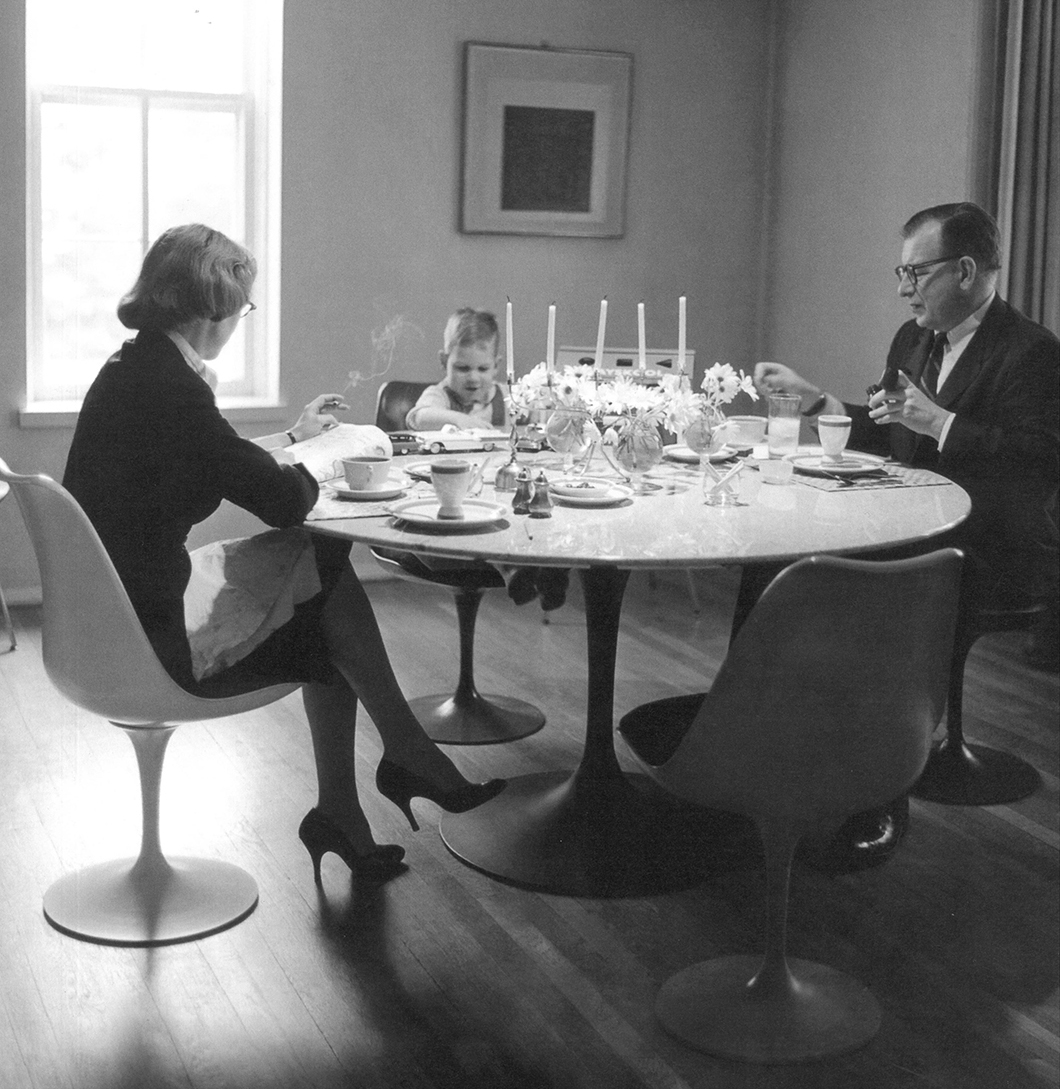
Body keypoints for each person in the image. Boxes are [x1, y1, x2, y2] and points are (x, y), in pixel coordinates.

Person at [63, 224, 505, 883]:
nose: (240, 320)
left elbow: (210, 457)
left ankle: (349, 804)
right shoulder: (174, 390)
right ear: (212, 309)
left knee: (315, 574)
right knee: (320, 579)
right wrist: (328, 452)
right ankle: (401, 757)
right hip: (145, 643)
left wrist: (295, 436)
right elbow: (283, 501)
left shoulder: (135, 368)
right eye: (241, 307)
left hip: (105, 618)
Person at [752, 202, 1060, 870]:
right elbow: (891, 431)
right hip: (913, 529)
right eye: (901, 272)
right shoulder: (912, 339)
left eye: (916, 273)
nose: (903, 288)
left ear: (969, 271)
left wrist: (944, 424)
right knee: (779, 559)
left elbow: (1040, 461)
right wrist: (820, 401)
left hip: (993, 547)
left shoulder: (1032, 352)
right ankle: (758, 745)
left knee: (875, 590)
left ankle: (880, 797)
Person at [405, 308, 511, 431]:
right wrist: (458, 419)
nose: (473, 378)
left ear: (496, 366)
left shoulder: (507, 396)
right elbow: (419, 418)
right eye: (463, 368)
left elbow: (535, 412)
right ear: (444, 362)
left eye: (483, 369)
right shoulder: (440, 395)